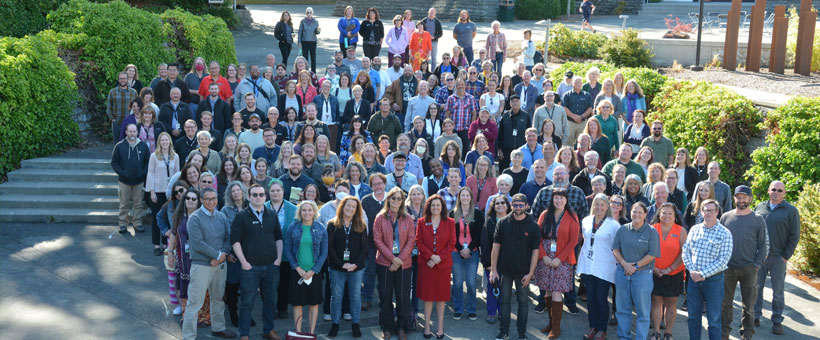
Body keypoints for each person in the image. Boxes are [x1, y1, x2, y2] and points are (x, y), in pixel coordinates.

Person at [229, 184, 284, 340]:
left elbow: (278, 237)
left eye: (261, 195)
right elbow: (235, 241)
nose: (258, 197)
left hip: (271, 267)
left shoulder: (272, 215)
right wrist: (244, 262)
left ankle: (269, 330)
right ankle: (244, 334)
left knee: (270, 300)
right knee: (247, 302)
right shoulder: (241, 217)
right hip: (250, 268)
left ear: (265, 197)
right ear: (249, 197)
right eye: (255, 195)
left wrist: (278, 258)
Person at [181, 188, 235, 340]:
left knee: (218, 298)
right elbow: (198, 244)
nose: (211, 201)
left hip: (219, 265)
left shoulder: (221, 216)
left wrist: (221, 256)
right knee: (194, 302)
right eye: (207, 199)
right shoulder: (195, 218)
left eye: (214, 198)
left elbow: (228, 238)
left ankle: (218, 328)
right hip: (202, 266)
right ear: (202, 200)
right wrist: (218, 255)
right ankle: (189, 336)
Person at [489, 194, 541, 340]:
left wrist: (531, 273)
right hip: (505, 270)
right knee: (504, 301)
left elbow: (535, 252)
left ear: (526, 206)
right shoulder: (503, 222)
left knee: (523, 302)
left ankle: (521, 334)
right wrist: (493, 270)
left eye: (520, 205)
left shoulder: (533, 226)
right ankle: (504, 332)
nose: (518, 208)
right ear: (511, 206)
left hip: (523, 272)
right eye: (515, 205)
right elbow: (496, 247)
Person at [719, 185, 768, 340]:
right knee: (725, 304)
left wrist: (756, 265)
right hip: (728, 268)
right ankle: (724, 333)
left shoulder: (758, 219)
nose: (741, 200)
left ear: (750, 199)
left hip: (749, 269)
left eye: (744, 197)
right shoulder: (726, 217)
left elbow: (763, 245)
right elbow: (718, 241)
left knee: (748, 306)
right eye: (738, 197)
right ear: (734, 199)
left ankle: (747, 335)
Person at [682, 199, 733, 340]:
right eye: (706, 210)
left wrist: (702, 274)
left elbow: (723, 260)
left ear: (717, 212)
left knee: (714, 320)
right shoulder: (694, 229)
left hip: (714, 281)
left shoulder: (725, 233)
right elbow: (685, 251)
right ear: (701, 212)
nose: (708, 213)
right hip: (693, 280)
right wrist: (693, 271)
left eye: (712, 210)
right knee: (693, 318)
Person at [754, 180, 801, 334]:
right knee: (756, 288)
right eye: (773, 189)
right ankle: (755, 315)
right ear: (768, 191)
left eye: (780, 190)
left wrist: (785, 256)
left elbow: (795, 235)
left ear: (784, 193)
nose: (776, 192)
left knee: (778, 291)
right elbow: (753, 230)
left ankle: (777, 321)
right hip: (760, 257)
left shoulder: (791, 211)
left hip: (778, 258)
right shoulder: (760, 207)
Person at [534, 188, 580, 339]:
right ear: (552, 200)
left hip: (563, 259)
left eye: (561, 198)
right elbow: (537, 237)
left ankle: (556, 327)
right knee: (547, 290)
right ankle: (550, 322)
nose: (558, 201)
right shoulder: (544, 215)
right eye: (556, 198)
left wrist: (559, 258)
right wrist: (544, 256)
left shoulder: (572, 216)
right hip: (545, 257)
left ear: (566, 200)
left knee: (556, 291)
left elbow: (573, 241)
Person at [371, 188, 416, 340]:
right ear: (388, 199)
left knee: (402, 296)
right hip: (384, 263)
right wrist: (392, 258)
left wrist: (399, 260)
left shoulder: (408, 218)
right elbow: (377, 240)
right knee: (385, 295)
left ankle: (402, 326)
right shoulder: (380, 218)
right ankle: (387, 326)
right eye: (393, 198)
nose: (396, 201)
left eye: (399, 199)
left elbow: (411, 240)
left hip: (404, 264)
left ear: (403, 201)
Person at [612, 202, 660, 340]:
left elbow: (652, 254)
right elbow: (615, 249)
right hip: (622, 273)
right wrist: (624, 264)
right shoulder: (622, 230)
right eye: (634, 212)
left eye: (640, 212)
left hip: (642, 275)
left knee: (643, 311)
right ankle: (623, 337)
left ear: (645, 214)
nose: (636, 215)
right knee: (622, 309)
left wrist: (635, 266)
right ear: (630, 213)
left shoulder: (651, 231)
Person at [578, 194, 620, 340]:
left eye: (602, 204)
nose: (599, 207)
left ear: (607, 206)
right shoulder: (586, 220)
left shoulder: (613, 224)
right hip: (588, 265)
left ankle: (602, 330)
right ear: (593, 206)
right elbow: (585, 241)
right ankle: (592, 327)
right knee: (590, 299)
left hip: (605, 266)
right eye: (597, 204)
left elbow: (617, 246)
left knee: (601, 298)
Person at [284, 200, 328, 335]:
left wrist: (314, 271)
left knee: (313, 304)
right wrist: (297, 268)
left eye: (310, 210)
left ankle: (311, 333)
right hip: (298, 272)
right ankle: (298, 333)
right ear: (300, 212)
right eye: (304, 210)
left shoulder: (321, 228)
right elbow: (287, 247)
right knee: (297, 304)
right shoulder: (293, 227)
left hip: (314, 273)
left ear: (314, 212)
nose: (307, 213)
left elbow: (324, 251)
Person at [414, 194, 455, 338]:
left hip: (443, 266)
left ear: (442, 207)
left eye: (438, 205)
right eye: (433, 205)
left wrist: (439, 258)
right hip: (426, 265)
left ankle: (440, 327)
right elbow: (419, 242)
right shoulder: (421, 221)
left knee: (441, 297)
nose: (435, 208)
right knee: (428, 297)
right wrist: (431, 257)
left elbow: (451, 244)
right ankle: (426, 327)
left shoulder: (450, 222)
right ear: (429, 207)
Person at [649, 203, 688, 340]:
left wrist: (669, 269)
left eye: (670, 213)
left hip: (674, 273)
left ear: (675, 216)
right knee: (656, 302)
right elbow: (646, 251)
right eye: (664, 213)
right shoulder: (652, 229)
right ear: (659, 214)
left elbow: (684, 253)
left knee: (671, 304)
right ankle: (656, 332)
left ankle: (668, 333)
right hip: (655, 272)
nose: (666, 216)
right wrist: (654, 268)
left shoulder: (681, 231)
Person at [449, 187, 484, 321]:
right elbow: (451, 234)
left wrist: (469, 248)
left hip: (472, 252)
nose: (465, 198)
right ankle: (458, 309)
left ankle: (471, 309)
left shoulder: (476, 213)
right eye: (462, 196)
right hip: (456, 252)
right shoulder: (453, 213)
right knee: (457, 282)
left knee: (471, 282)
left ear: (471, 197)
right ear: (459, 198)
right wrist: (460, 249)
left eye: (467, 196)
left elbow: (479, 234)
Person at [111, 124, 150, 234]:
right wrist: (122, 173)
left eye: (134, 131)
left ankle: (137, 223)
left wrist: (143, 173)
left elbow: (148, 161)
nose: (132, 133)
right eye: (130, 131)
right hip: (124, 181)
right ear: (126, 132)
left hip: (139, 181)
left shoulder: (143, 146)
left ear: (137, 132)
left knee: (138, 204)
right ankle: (123, 224)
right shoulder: (119, 146)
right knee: (124, 204)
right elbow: (114, 162)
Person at [147, 132, 181, 254]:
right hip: (158, 191)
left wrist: (177, 192)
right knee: (157, 218)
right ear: (159, 142)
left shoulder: (175, 156)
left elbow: (178, 175)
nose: (165, 142)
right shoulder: (154, 156)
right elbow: (150, 174)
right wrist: (152, 192)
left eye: (167, 140)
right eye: (162, 140)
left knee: (168, 219)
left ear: (170, 142)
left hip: (170, 193)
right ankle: (156, 245)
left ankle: (166, 244)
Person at [481, 195, 510, 324]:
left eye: (502, 202)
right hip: (492, 263)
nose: (500, 205)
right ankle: (491, 313)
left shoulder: (512, 220)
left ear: (507, 205)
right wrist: (487, 264)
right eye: (497, 203)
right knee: (493, 288)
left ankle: (502, 312)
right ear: (493, 206)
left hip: (508, 263)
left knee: (504, 290)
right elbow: (485, 243)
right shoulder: (490, 221)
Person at [497, 95, 531, 170]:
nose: (515, 103)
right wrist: (499, 149)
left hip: (521, 150)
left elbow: (529, 133)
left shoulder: (526, 116)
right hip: (506, 151)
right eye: (513, 101)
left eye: (517, 101)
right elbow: (500, 134)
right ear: (510, 103)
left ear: (520, 102)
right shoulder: (505, 116)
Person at [562, 76, 594, 147]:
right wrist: (574, 117)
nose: (577, 84)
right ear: (572, 83)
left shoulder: (587, 95)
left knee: (583, 143)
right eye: (576, 82)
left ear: (582, 84)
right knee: (568, 144)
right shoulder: (567, 95)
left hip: (582, 123)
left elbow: (590, 108)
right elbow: (564, 107)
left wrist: (581, 117)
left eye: (579, 82)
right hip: (570, 123)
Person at [108, 72, 140, 140]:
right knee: (117, 143)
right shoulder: (112, 92)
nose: (122, 80)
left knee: (131, 141)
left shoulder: (133, 92)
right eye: (120, 78)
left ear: (127, 79)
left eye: (124, 78)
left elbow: (138, 106)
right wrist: (112, 119)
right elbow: (109, 106)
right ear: (118, 80)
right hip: (117, 122)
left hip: (130, 122)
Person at [313, 80, 341, 150]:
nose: (327, 88)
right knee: (320, 143)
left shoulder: (334, 98)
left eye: (328, 87)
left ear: (330, 88)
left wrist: (337, 123)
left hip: (332, 124)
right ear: (322, 87)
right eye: (325, 86)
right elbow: (314, 111)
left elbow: (337, 111)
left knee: (332, 144)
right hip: (320, 124)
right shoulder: (316, 98)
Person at [297, 7, 319, 73]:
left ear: (312, 13)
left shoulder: (316, 21)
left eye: (310, 12)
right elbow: (300, 32)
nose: (309, 14)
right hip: (305, 41)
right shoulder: (303, 21)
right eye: (308, 12)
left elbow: (316, 32)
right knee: (305, 58)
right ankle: (305, 71)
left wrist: (318, 31)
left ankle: (313, 72)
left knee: (313, 58)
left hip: (313, 41)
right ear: (306, 13)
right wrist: (299, 42)